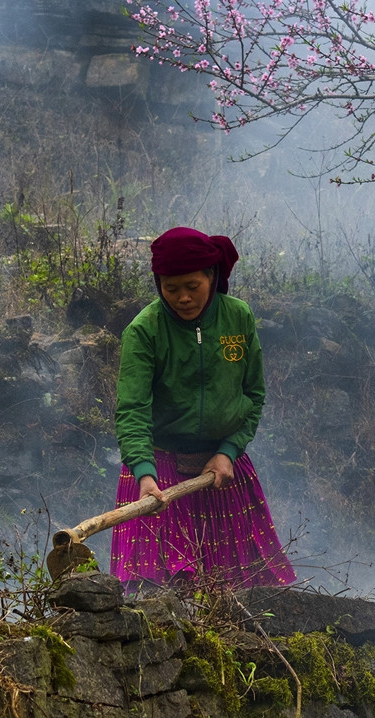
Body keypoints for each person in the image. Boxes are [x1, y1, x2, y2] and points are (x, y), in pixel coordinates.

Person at [110, 226, 294, 588]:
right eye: (171, 288)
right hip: (158, 473)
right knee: (158, 592)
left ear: (212, 276)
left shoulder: (238, 318)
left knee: (245, 592)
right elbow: (132, 410)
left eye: (192, 286)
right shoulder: (144, 331)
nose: (183, 298)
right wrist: (145, 475)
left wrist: (229, 451)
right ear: (158, 283)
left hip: (224, 470)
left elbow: (253, 396)